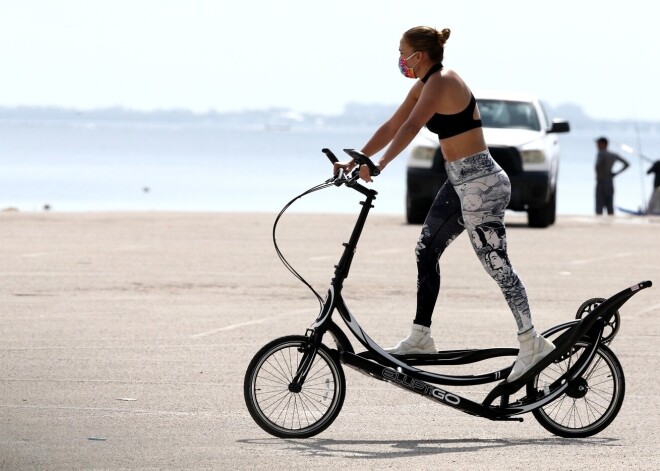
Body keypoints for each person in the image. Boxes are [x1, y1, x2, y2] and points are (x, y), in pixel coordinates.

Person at [333, 26, 554, 383]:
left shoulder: (443, 82)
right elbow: (394, 124)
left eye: (402, 52)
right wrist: (358, 158)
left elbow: (411, 127)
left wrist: (380, 165)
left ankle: (533, 343)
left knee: (497, 266)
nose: (400, 59)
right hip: (459, 182)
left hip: (483, 185)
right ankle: (421, 337)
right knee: (425, 250)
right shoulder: (423, 85)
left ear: (418, 56)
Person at [594, 137, 630, 215]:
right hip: (610, 182)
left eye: (598, 144)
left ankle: (599, 224)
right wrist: (615, 173)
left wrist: (599, 175)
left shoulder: (601, 153)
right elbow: (627, 164)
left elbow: (598, 166)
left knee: (599, 207)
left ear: (603, 144)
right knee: (609, 206)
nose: (597, 146)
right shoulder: (613, 155)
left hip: (601, 182)